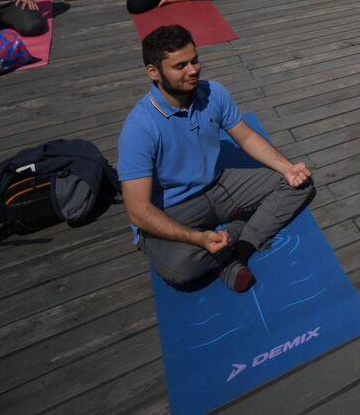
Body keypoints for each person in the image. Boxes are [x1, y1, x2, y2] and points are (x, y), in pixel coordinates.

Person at [118, 25, 314, 292]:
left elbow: (246, 138)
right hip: (173, 206)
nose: (193, 70)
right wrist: (196, 238)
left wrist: (287, 168)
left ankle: (239, 249)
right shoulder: (139, 128)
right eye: (180, 66)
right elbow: (139, 211)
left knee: (298, 184)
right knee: (181, 269)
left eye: (195, 60)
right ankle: (238, 229)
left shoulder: (213, 92)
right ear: (153, 71)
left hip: (218, 183)